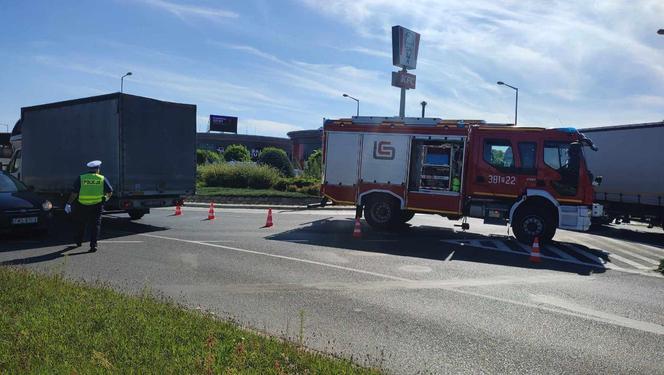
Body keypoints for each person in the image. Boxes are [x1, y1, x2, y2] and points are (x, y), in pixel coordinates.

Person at [65, 160, 113, 252]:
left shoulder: (81, 178)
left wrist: (68, 203)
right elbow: (110, 191)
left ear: (89, 169)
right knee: (95, 225)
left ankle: (78, 241)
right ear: (98, 169)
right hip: (97, 205)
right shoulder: (101, 178)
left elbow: (74, 193)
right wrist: (106, 198)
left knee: (80, 224)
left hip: (82, 205)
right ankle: (93, 245)